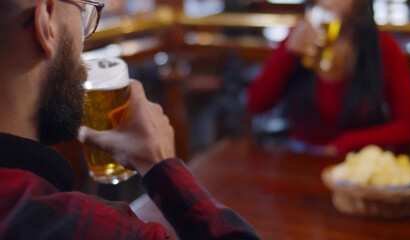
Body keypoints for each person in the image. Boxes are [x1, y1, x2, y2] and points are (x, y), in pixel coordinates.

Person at [0, 0, 261, 239]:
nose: (84, 41)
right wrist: (163, 165)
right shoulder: (83, 226)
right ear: (46, 23)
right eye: (82, 14)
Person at [247, 0, 410, 156]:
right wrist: (287, 53)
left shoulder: (382, 47)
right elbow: (256, 104)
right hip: (299, 159)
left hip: (356, 166)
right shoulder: (299, 38)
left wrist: (347, 143)